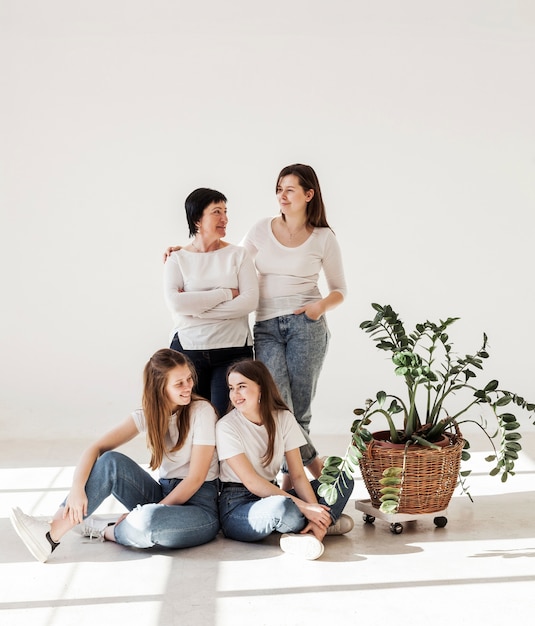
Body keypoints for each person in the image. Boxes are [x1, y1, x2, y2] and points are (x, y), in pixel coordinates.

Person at [10, 349, 220, 563]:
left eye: (188, 379)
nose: (189, 387)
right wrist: (77, 488)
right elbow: (95, 448)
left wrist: (150, 510)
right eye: (179, 384)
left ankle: (106, 530)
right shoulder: (149, 415)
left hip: (200, 508)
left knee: (148, 523)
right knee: (111, 462)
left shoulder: (202, 411)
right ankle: (50, 535)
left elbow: (195, 479)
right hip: (164, 493)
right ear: (160, 388)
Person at [240, 164, 347, 488]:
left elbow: (340, 290)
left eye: (290, 190)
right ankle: (322, 472)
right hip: (267, 326)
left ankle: (290, 481)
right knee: (278, 406)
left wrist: (318, 308)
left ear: (308, 194)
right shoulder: (261, 230)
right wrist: (185, 252)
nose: (282, 196)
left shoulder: (323, 237)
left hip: (307, 326)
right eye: (279, 189)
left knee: (299, 410)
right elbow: (232, 264)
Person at [216, 359, 354, 560]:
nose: (235, 394)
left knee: (342, 480)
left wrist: (313, 509)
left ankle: (315, 526)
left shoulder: (283, 418)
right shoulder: (226, 427)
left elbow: (298, 475)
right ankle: (326, 521)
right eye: (232, 388)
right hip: (237, 506)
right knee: (281, 508)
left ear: (261, 388)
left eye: (242, 387)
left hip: (273, 493)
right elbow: (252, 482)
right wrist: (306, 508)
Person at [163, 187, 259, 418]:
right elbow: (176, 304)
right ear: (197, 218)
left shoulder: (239, 255)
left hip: (233, 349)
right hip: (189, 350)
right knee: (189, 420)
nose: (225, 218)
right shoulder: (177, 258)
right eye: (217, 212)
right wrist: (226, 293)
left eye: (225, 211)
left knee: (225, 419)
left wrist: (196, 309)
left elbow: (249, 301)